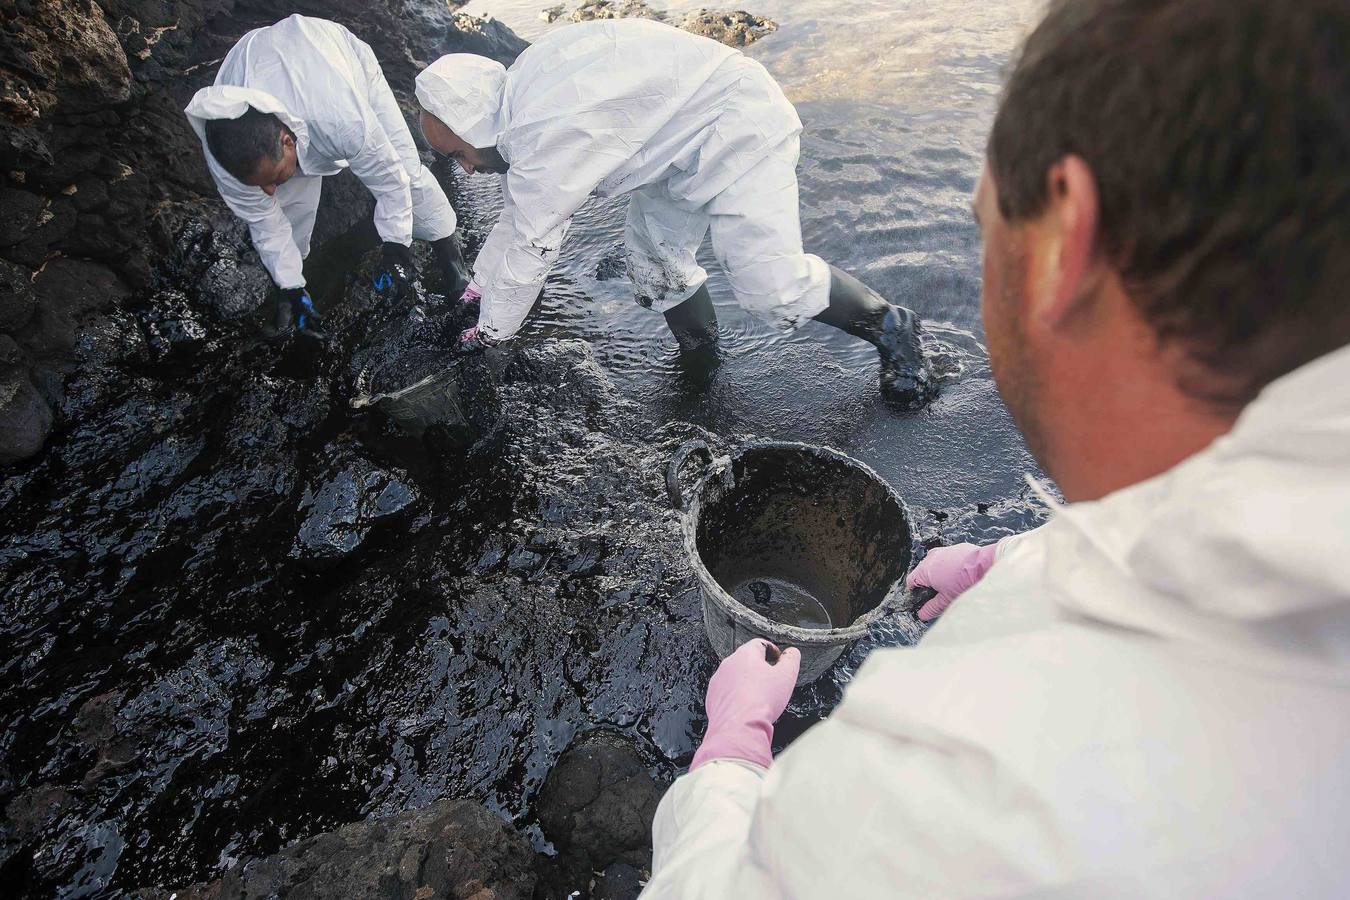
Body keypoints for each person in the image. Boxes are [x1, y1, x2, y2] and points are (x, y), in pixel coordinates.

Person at [643, 0, 1350, 895]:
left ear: (1063, 244)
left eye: (985, 228)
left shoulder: (954, 793)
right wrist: (1019, 560)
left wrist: (728, 757)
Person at [413, 19, 934, 407]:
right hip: (674, 146)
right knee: (656, 265)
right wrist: (481, 287)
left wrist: (492, 335)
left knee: (769, 284)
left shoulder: (543, 135)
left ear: (479, 127)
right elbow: (518, 214)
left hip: (735, 123)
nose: (466, 171)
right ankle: (703, 362)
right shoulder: (518, 98)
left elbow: (533, 243)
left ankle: (890, 325)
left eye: (459, 155)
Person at [183, 14, 469, 341]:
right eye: (258, 184)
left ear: (287, 141)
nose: (269, 190)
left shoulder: (342, 119)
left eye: (272, 177)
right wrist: (291, 288)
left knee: (406, 168)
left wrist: (396, 248)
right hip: (259, 64)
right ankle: (291, 297)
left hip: (334, 56)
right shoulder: (226, 154)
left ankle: (453, 263)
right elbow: (265, 224)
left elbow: (391, 180)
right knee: (288, 211)